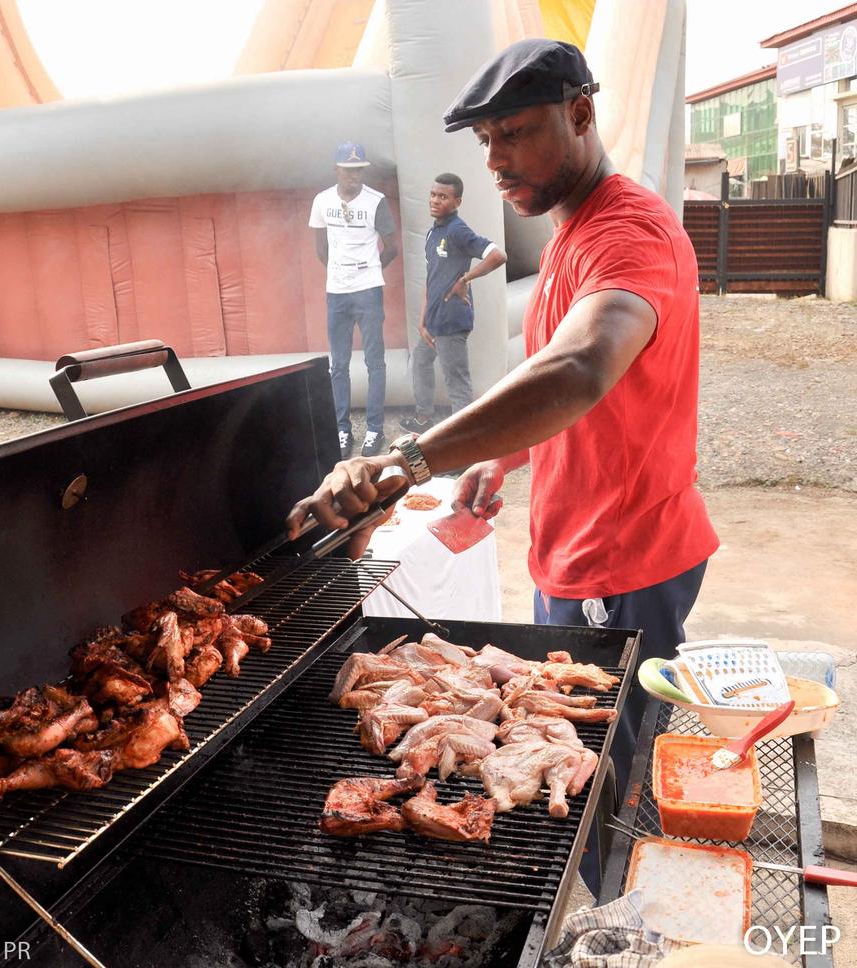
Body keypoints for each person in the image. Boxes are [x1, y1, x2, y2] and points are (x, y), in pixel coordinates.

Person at [288, 40, 719, 893]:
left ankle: (612, 920)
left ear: (581, 115)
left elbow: (580, 368)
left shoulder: (628, 233)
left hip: (625, 560)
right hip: (577, 551)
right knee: (557, 751)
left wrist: (410, 458)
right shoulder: (571, 232)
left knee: (602, 787)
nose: (494, 162)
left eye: (515, 134)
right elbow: (575, 388)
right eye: (486, 141)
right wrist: (504, 453)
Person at [310, 142, 399, 459]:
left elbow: (392, 247)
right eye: (349, 170)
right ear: (336, 169)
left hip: (369, 288)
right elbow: (321, 249)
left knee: (375, 360)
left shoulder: (376, 201)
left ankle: (375, 428)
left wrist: (370, 270)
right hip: (337, 291)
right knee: (339, 364)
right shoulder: (322, 200)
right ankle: (342, 429)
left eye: (359, 169)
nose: (354, 176)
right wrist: (341, 272)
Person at [399, 174, 506, 434]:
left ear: (457, 202)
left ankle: (462, 440)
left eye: (443, 197)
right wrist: (422, 321)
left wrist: (466, 279)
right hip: (433, 321)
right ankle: (423, 418)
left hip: (452, 320)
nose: (435, 200)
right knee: (421, 362)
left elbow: (498, 255)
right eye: (433, 194)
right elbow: (431, 279)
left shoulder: (458, 230)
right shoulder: (432, 233)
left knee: (456, 383)